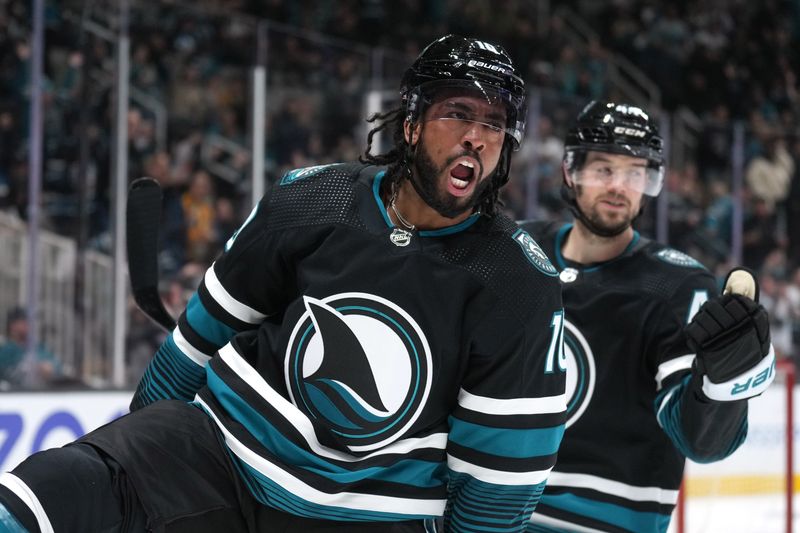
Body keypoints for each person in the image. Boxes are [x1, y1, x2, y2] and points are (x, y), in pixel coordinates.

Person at [0, 35, 567, 533]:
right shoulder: (312, 199)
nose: (476, 136)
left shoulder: (519, 284)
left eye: (493, 124)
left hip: (372, 515)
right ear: (413, 123)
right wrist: (133, 465)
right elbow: (191, 348)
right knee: (48, 491)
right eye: (458, 113)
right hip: (221, 458)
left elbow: (496, 494)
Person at [520, 101, 774, 533]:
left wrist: (720, 391)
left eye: (635, 173)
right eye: (603, 169)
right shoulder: (519, 251)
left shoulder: (678, 285)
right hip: (490, 514)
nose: (619, 186)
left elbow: (702, 443)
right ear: (570, 171)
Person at [0, 307, 62, 388]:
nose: (31, 324)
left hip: (38, 397)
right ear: (13, 325)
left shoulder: (40, 348)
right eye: (25, 321)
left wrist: (49, 368)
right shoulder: (5, 351)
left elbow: (57, 368)